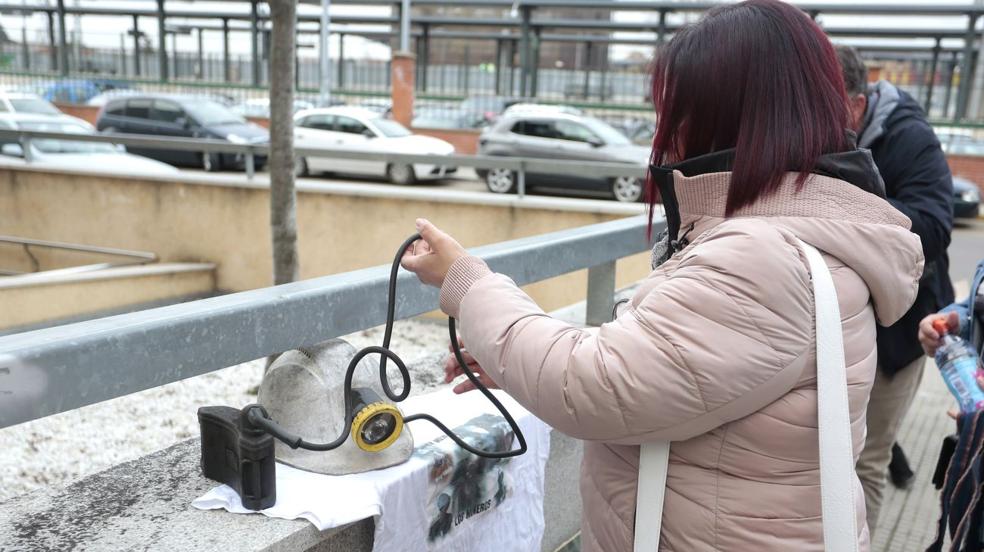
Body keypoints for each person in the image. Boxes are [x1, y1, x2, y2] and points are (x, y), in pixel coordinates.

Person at [402, 1, 924, 549]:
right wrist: (515, 362)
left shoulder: (762, 256)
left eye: (676, 110)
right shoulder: (804, 231)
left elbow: (594, 384)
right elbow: (669, 364)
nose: (665, 132)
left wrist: (464, 280)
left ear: (722, 114)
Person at [837, 46, 956, 533]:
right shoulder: (819, 138)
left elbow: (934, 224)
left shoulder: (910, 137)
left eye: (826, 102)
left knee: (866, 457)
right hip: (838, 320)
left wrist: (847, 211)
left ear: (858, 106)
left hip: (900, 329)